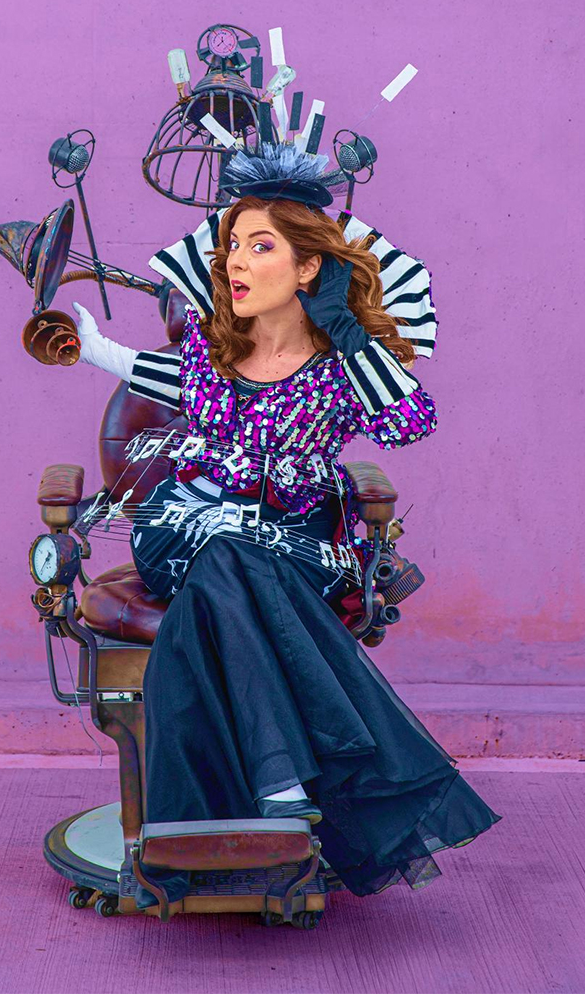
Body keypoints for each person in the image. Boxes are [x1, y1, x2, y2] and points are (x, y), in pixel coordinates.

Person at [72, 143, 502, 909]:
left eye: (260, 245)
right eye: (233, 244)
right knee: (222, 546)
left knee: (226, 566)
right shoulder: (214, 350)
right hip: (181, 529)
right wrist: (101, 352)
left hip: (293, 544)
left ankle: (241, 798)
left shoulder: (341, 365)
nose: (236, 260)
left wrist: (347, 329)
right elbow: (169, 379)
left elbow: (408, 422)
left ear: (309, 268)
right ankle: (285, 782)